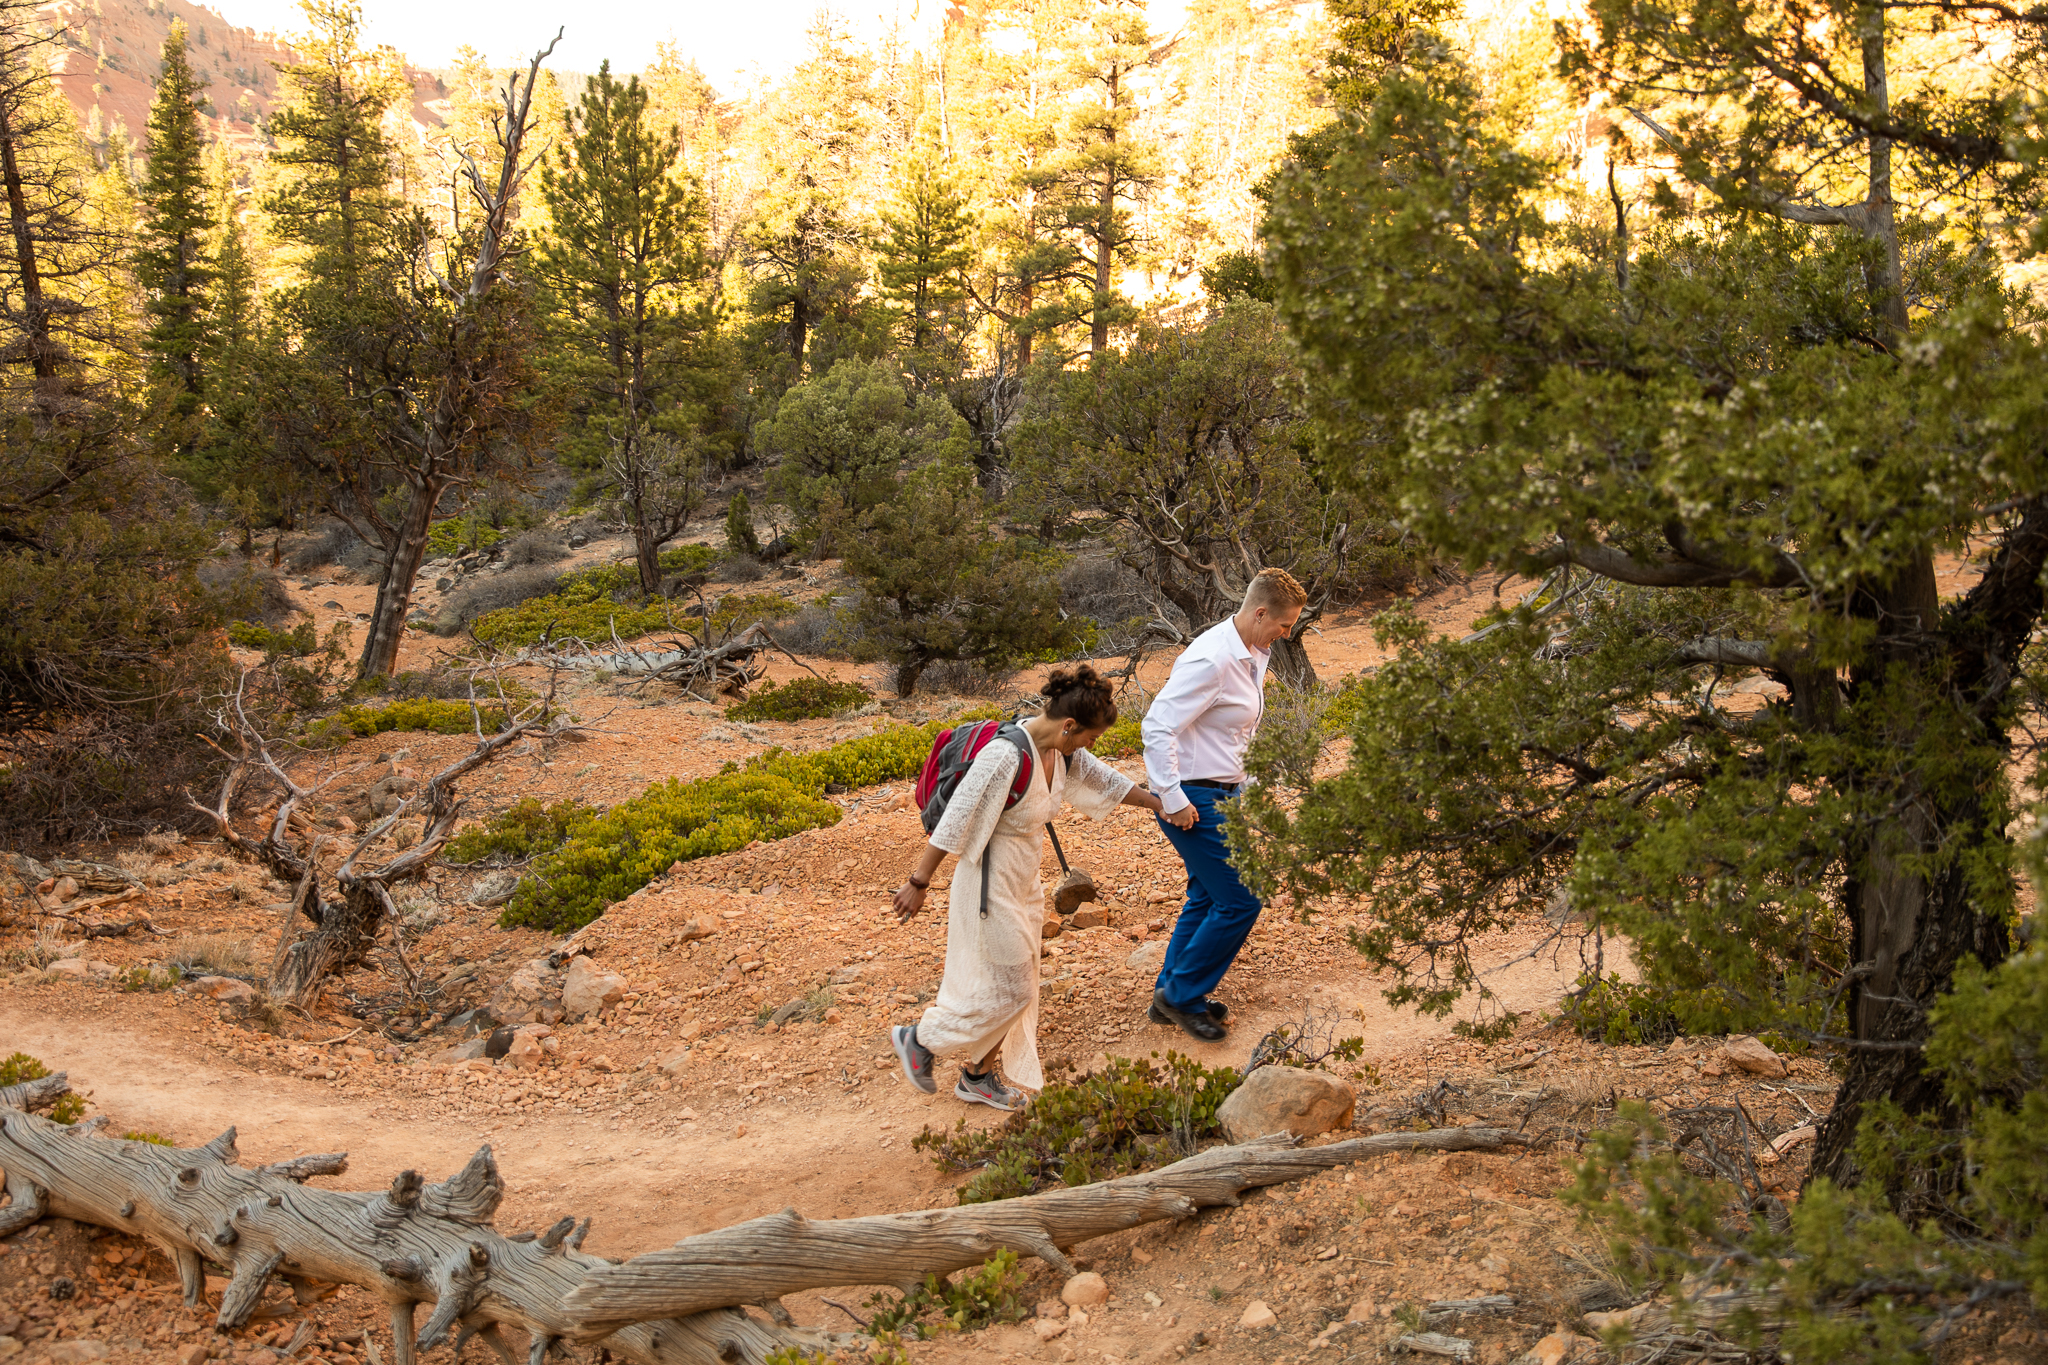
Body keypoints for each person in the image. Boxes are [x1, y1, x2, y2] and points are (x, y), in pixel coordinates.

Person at [890, 665, 1166, 1111]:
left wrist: (1160, 805)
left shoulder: (1062, 753)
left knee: (1020, 985)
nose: (1091, 746)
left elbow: (1106, 781)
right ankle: (919, 1039)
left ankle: (977, 1076)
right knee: (1014, 987)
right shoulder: (1005, 757)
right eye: (1091, 737)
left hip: (1024, 884)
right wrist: (919, 882)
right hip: (987, 887)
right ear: (1069, 725)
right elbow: (956, 817)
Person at [1142, 568, 1309, 1041]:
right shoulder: (1213, 659)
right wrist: (1170, 797)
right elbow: (1157, 726)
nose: (1288, 632)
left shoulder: (1255, 653)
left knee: (1208, 895)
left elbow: (1239, 732)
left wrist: (1249, 790)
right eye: (1284, 623)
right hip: (1192, 796)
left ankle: (1170, 995)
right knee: (1241, 900)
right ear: (1260, 613)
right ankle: (1181, 996)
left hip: (1224, 793)